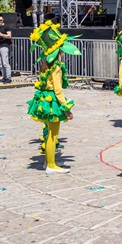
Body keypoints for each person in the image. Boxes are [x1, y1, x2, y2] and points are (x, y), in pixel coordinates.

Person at [27, 20, 82, 174]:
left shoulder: (46, 64)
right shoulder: (56, 66)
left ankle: (48, 161)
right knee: (53, 134)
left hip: (45, 98)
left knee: (50, 132)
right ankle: (51, 165)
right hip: (53, 100)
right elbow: (58, 90)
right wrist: (66, 108)